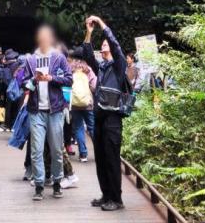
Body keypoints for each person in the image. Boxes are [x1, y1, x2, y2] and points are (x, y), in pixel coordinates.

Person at [81, 15, 128, 211]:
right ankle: (106, 194)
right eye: (103, 43)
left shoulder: (119, 66)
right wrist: (89, 33)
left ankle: (116, 199)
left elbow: (116, 47)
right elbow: (87, 54)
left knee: (111, 158)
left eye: (106, 43)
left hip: (113, 118)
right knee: (100, 158)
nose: (104, 45)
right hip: (99, 116)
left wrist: (101, 24)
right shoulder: (101, 67)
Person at [22, 24, 72, 201]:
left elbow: (69, 79)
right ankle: (39, 185)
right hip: (36, 111)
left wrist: (52, 78)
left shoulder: (58, 58)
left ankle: (57, 182)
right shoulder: (30, 60)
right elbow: (23, 83)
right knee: (36, 150)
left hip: (55, 111)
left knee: (56, 149)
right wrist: (33, 81)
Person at [69, 53, 96, 161]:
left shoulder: (71, 69)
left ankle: (83, 155)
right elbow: (94, 85)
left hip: (75, 104)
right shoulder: (87, 69)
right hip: (87, 104)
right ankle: (99, 152)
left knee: (79, 128)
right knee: (92, 127)